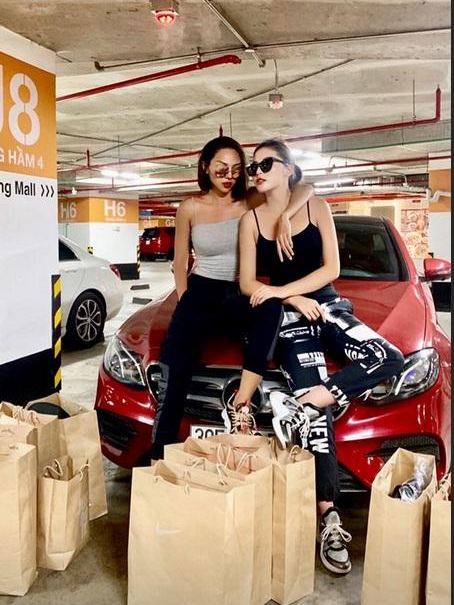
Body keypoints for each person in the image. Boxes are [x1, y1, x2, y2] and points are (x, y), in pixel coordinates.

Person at [238, 138, 405, 575]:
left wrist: (289, 287)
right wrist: (288, 298)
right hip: (290, 316)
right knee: (318, 420)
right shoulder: (251, 220)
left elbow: (331, 269)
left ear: (288, 168)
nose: (257, 172)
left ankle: (318, 396)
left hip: (328, 304)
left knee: (388, 357)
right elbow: (247, 284)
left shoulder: (317, 207)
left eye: (266, 164)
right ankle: (329, 516)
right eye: (253, 166)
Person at [149, 135, 314, 460]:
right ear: (205, 167)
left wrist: (286, 214)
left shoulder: (249, 200)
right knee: (175, 366)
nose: (229, 176)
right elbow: (180, 262)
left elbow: (306, 187)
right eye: (221, 168)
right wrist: (184, 303)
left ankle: (242, 402)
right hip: (201, 291)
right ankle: (160, 456)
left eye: (237, 170)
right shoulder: (190, 207)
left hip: (239, 292)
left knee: (270, 308)